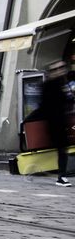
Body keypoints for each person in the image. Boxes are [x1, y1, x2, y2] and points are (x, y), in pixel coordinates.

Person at [39, 55, 74, 186]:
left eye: (62, 67)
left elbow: (68, 100)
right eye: (57, 68)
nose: (61, 70)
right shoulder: (48, 85)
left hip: (63, 121)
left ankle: (61, 175)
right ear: (52, 72)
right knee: (61, 149)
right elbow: (43, 105)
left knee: (62, 149)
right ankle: (61, 176)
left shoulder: (62, 83)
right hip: (54, 122)